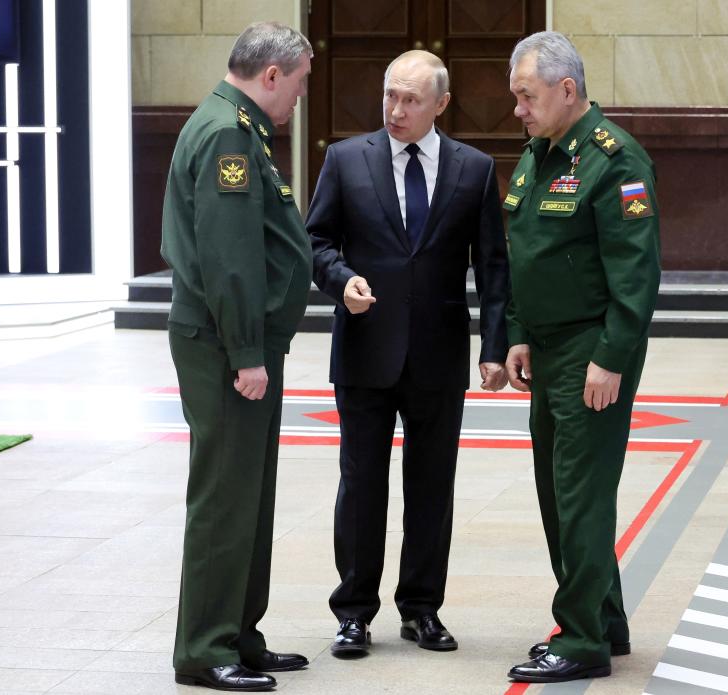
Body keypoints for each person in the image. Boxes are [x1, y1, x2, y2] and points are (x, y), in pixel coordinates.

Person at [306, 50, 509, 658]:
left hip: (438, 356)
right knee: (361, 484)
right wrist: (341, 279)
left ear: (441, 105)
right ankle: (354, 613)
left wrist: (494, 346)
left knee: (431, 486)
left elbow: (494, 266)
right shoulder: (345, 160)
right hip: (366, 350)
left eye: (411, 99)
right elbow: (315, 240)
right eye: (390, 96)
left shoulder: (474, 170)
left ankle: (421, 608)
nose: (396, 109)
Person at [502, 32, 661, 684]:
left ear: (568, 90)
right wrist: (515, 331)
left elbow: (636, 273)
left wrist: (611, 356)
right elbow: (526, 254)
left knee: (579, 493)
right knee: (560, 490)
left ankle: (581, 637)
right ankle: (605, 618)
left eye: (527, 96)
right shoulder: (538, 156)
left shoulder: (615, 161)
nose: (517, 109)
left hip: (590, 348)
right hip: (545, 345)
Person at [160, 22, 314, 692]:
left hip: (239, 342)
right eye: (301, 83)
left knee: (248, 492)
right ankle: (204, 647)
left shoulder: (241, 127)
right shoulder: (229, 133)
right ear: (272, 75)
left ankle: (238, 633)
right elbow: (228, 258)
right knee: (226, 495)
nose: (301, 99)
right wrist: (248, 351)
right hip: (226, 346)